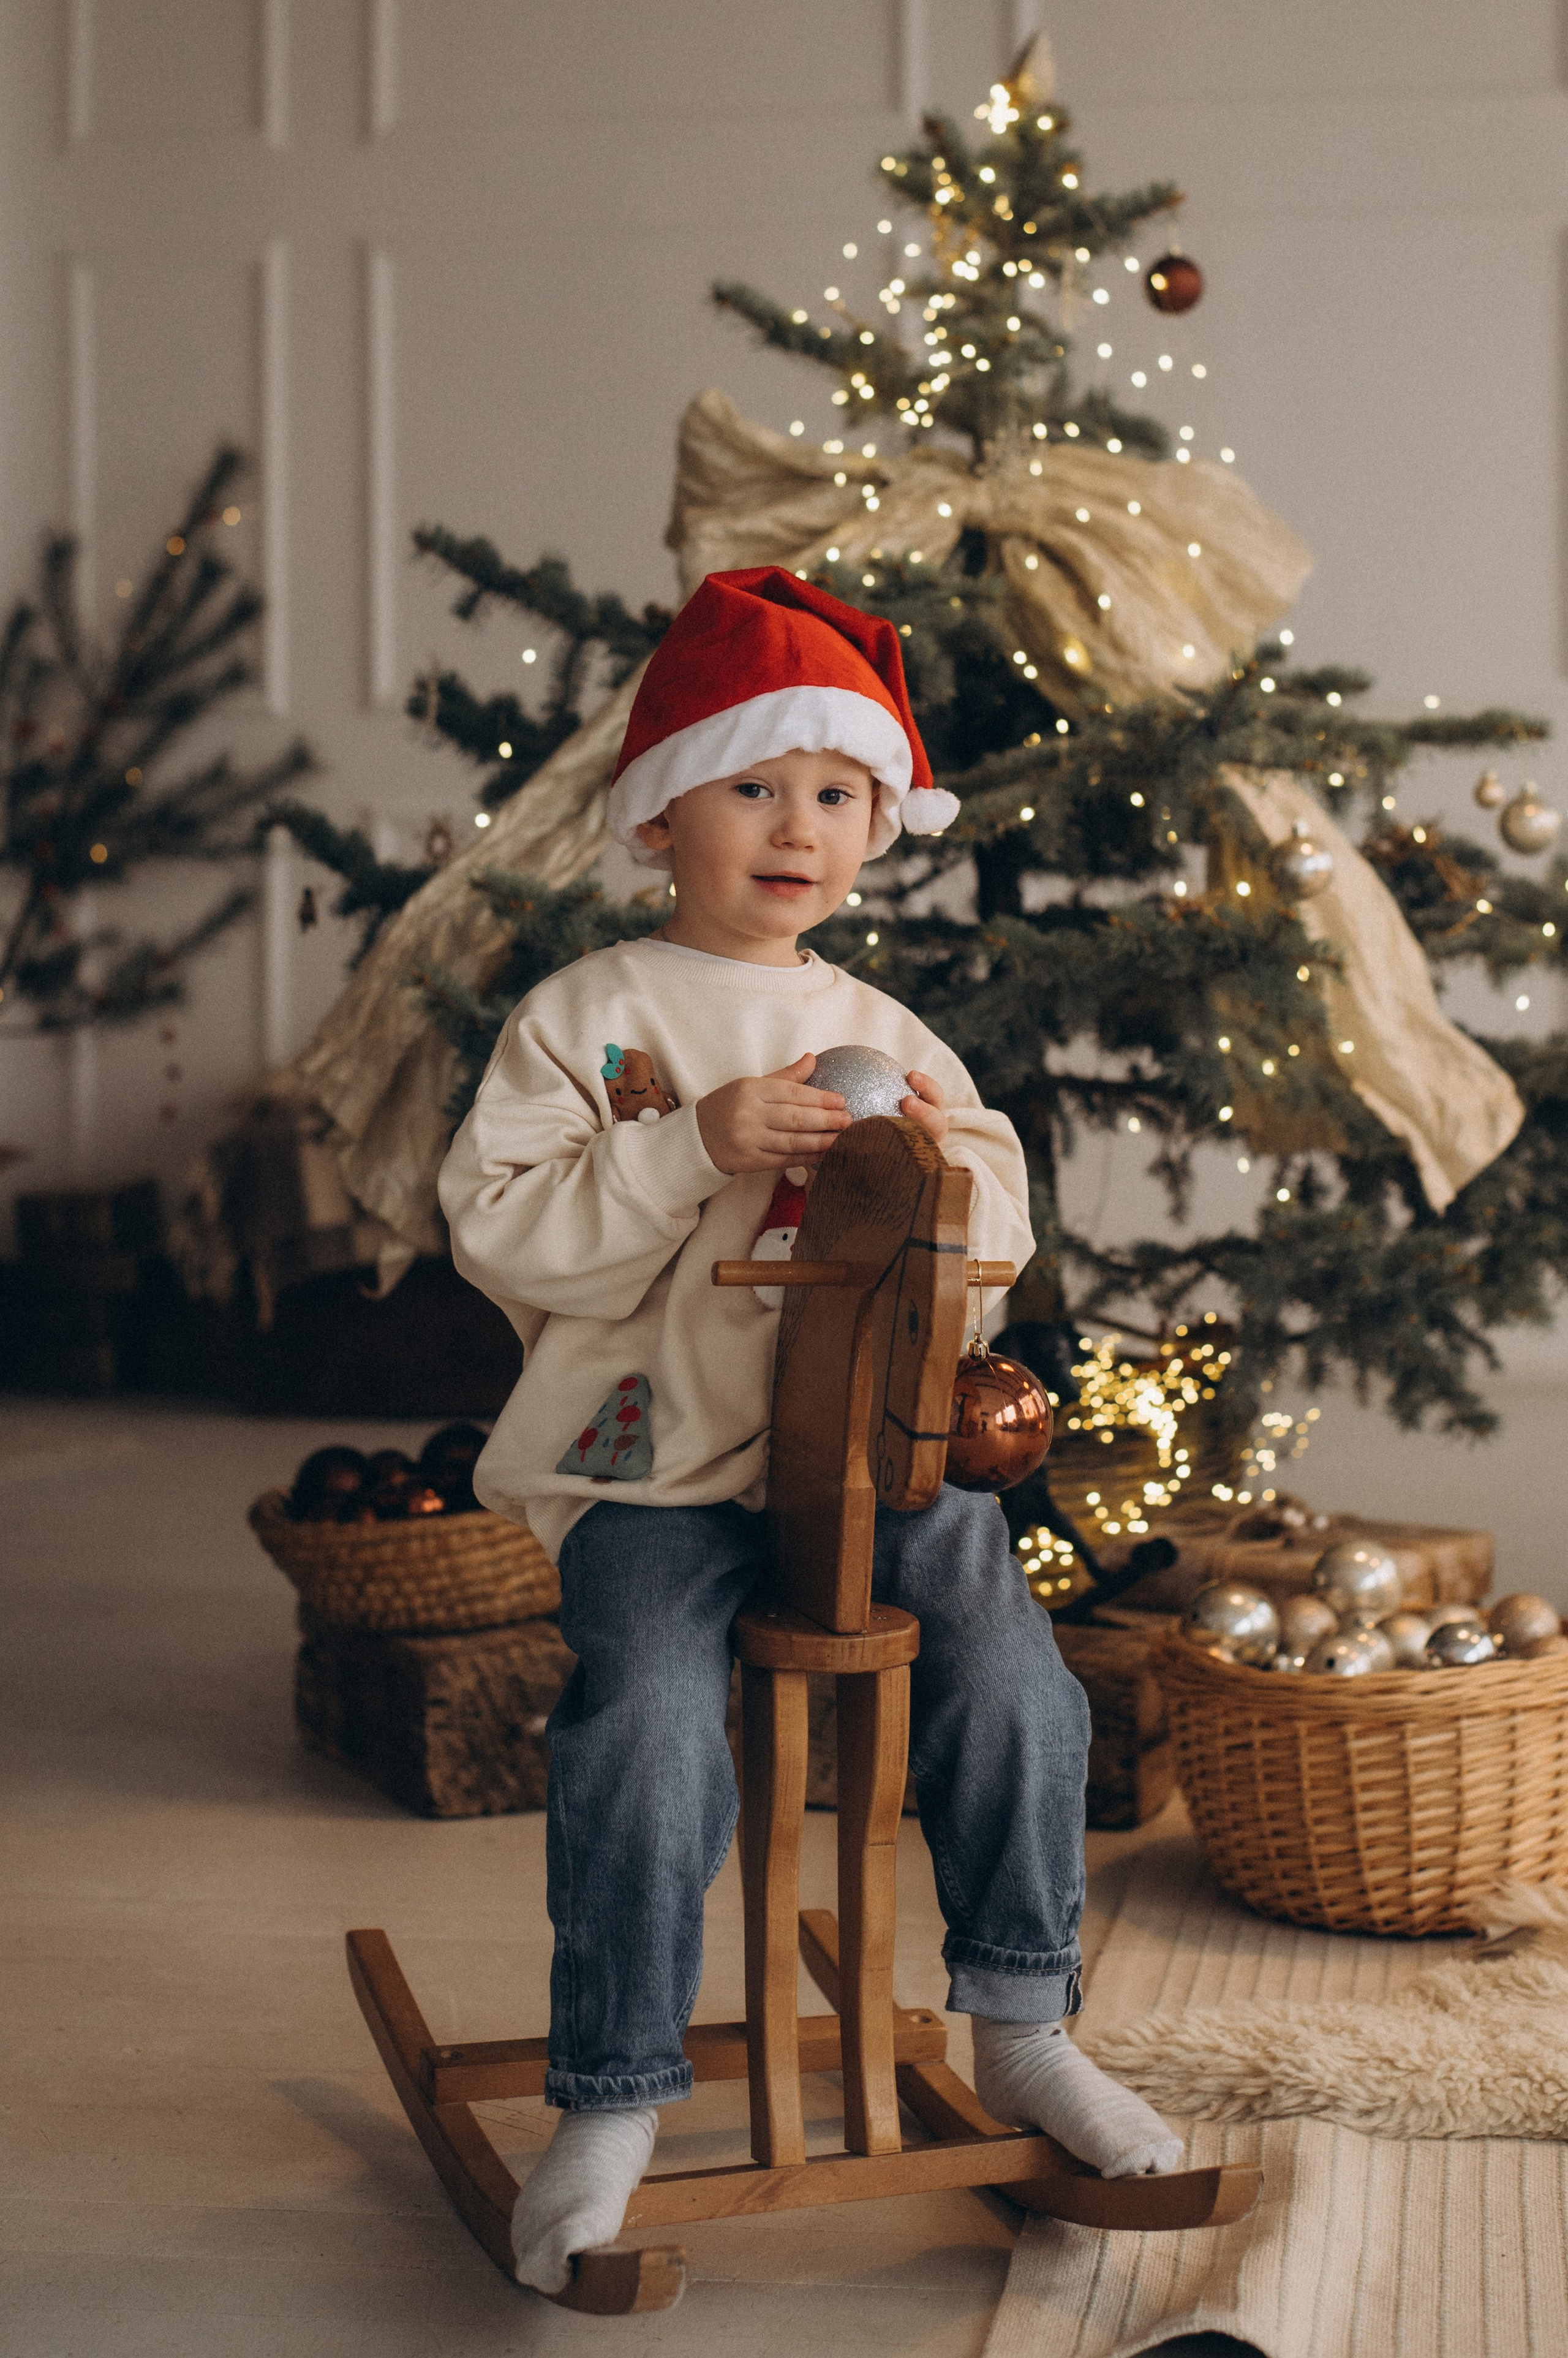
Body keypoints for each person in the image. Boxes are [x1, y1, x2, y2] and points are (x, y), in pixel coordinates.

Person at [438, 567, 1181, 2296]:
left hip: (874, 1464)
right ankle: (614, 2090)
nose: (798, 827)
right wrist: (694, 1143)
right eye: (754, 784)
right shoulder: (589, 1013)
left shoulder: (886, 1032)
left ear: (875, 825)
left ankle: (1019, 2016)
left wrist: (932, 1159)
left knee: (1014, 1682)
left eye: (836, 793)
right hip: (658, 1473)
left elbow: (990, 1236)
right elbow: (502, 1229)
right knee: (643, 1726)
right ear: (662, 813)